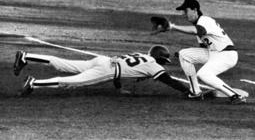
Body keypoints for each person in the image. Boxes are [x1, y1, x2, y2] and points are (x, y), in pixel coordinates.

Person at [14, 45, 191, 97]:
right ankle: (34, 83)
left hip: (103, 60)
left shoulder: (141, 56)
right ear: (160, 59)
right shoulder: (154, 66)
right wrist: (189, 91)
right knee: (73, 82)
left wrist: (118, 88)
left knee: (64, 64)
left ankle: (27, 56)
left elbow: (124, 69)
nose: (164, 64)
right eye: (164, 61)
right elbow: (170, 81)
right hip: (107, 69)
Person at [161, 0, 246, 104]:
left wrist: (172, 27)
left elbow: (196, 31)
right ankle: (195, 92)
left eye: (185, 11)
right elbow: (203, 47)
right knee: (184, 54)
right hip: (213, 53)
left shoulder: (205, 20)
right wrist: (189, 54)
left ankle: (235, 96)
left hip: (226, 55)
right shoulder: (198, 25)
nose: (183, 14)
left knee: (203, 74)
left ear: (195, 10)